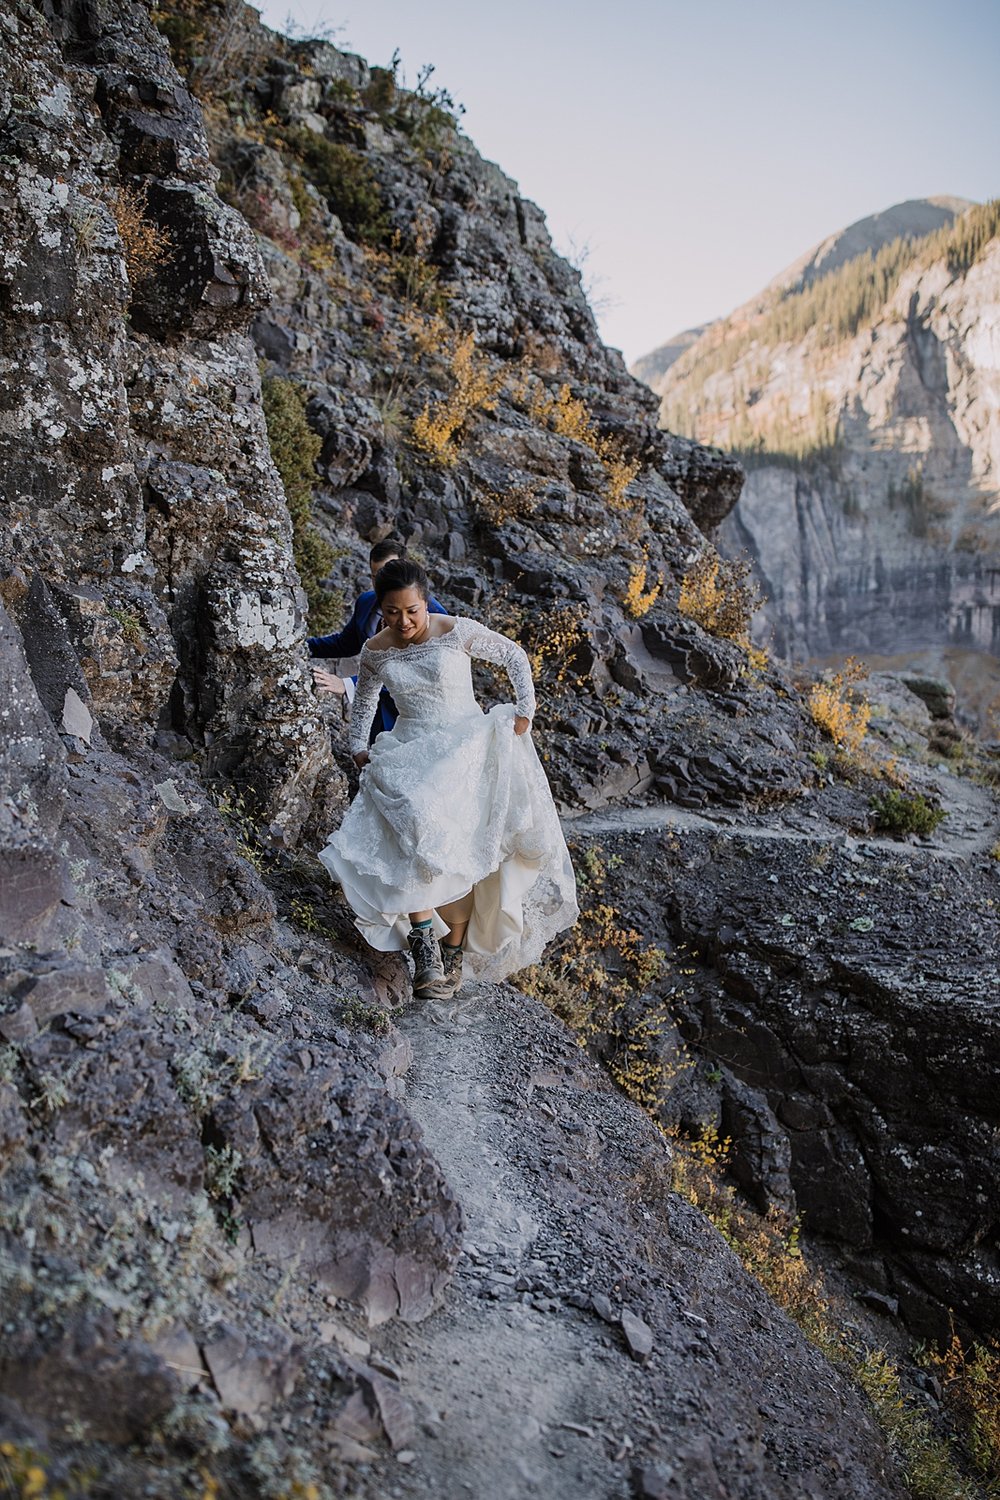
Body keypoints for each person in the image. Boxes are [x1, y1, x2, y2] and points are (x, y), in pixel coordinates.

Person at [318, 559, 578, 1002]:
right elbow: (364, 702)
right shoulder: (376, 649)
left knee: (466, 854)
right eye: (393, 613)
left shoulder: (454, 630)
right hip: (410, 748)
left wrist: (524, 711)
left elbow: (514, 655)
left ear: (425, 601)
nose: (404, 622)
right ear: (380, 608)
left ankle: (452, 951)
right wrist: (358, 746)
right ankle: (424, 948)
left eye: (413, 610)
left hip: (466, 747)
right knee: (412, 829)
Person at [309, 540, 446, 740]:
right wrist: (299, 646)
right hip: (376, 717)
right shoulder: (366, 602)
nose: (381, 584)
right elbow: (346, 644)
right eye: (375, 577)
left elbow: (417, 673)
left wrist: (348, 684)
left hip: (416, 719)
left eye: (386, 574)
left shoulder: (432, 614)